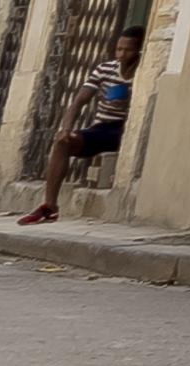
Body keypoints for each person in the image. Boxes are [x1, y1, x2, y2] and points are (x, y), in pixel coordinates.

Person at [24, 26, 141, 224]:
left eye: (127, 50)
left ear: (139, 50)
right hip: (103, 129)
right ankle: (50, 207)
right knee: (63, 143)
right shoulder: (105, 70)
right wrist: (66, 129)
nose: (121, 54)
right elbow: (79, 101)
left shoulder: (144, 72)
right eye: (118, 49)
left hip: (127, 130)